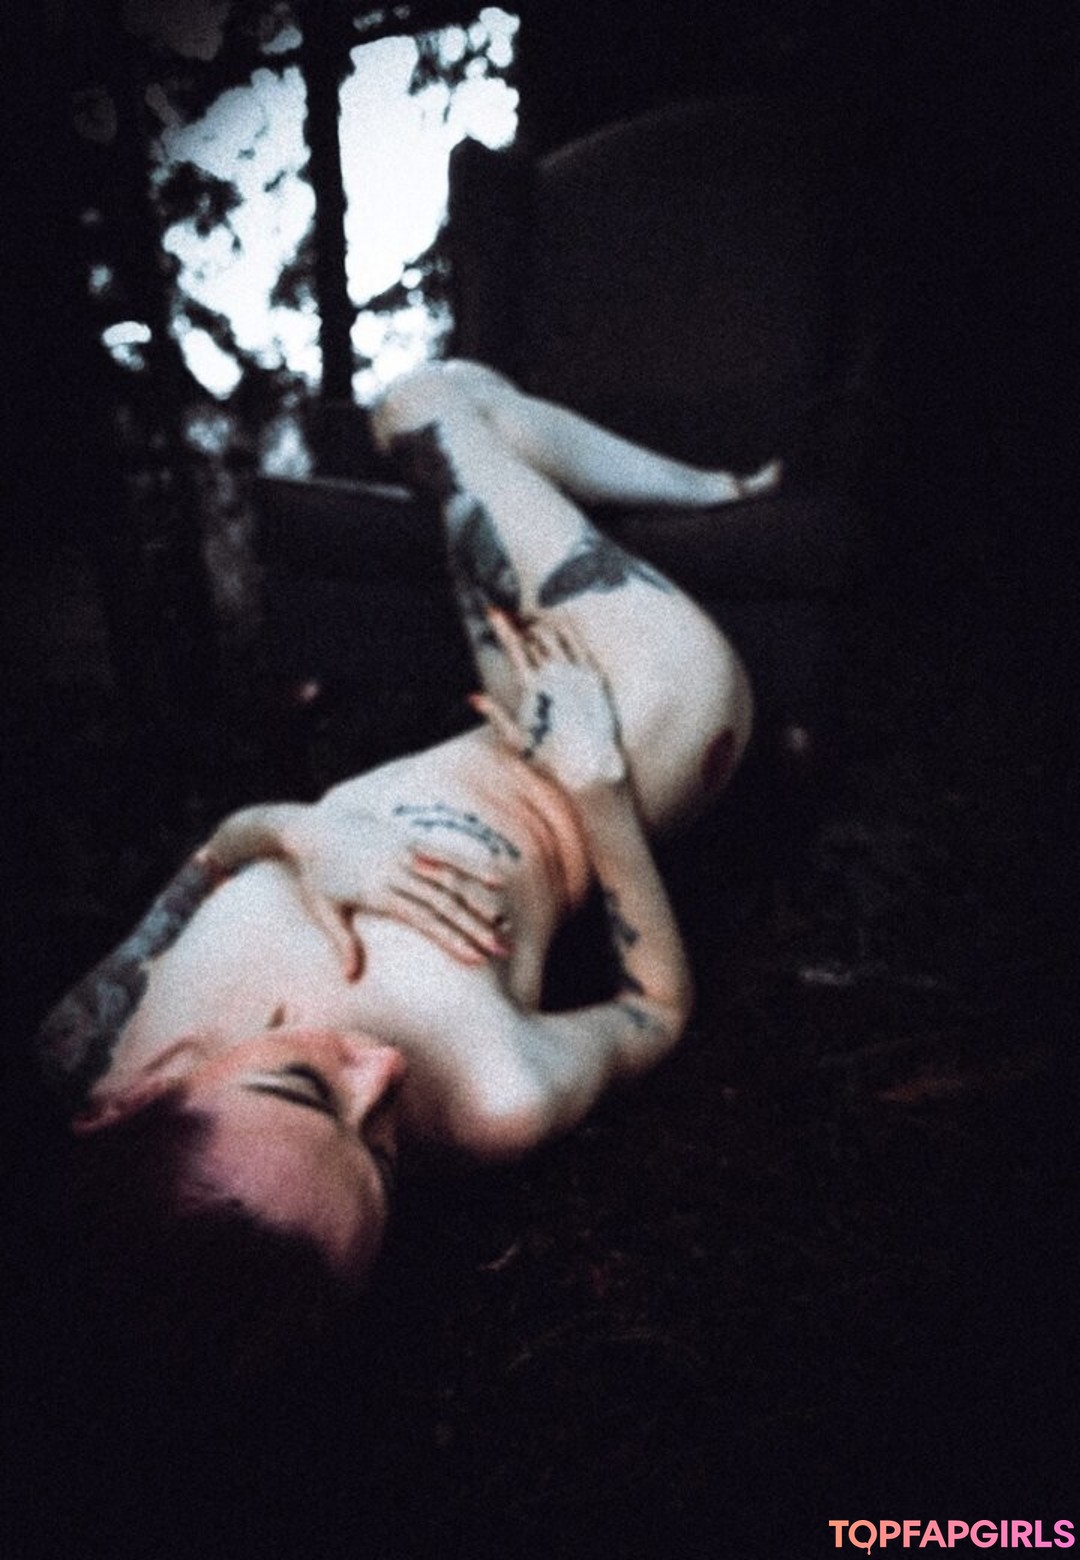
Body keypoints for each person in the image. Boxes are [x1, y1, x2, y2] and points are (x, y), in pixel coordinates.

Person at [38, 360, 778, 1311]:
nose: (383, 1073)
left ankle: (700, 492)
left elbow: (216, 858)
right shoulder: (494, 1101)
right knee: (437, 408)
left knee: (419, 405)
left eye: (306, 1089)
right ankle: (709, 495)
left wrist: (303, 835)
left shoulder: (93, 1044)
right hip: (639, 729)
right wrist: (596, 790)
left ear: (130, 1106)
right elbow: (658, 1013)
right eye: (386, 1161)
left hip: (509, 712)